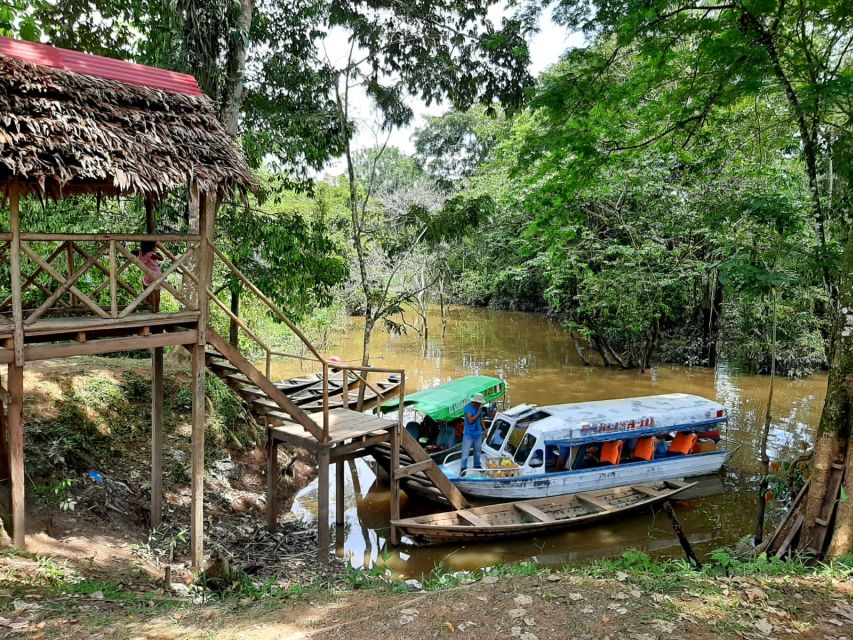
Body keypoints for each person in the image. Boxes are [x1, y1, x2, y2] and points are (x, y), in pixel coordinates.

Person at [460, 393, 486, 476]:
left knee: (478, 451)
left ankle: (477, 465)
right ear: (474, 401)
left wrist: (485, 430)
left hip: (478, 433)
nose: (479, 404)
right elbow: (471, 421)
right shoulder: (467, 408)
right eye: (478, 403)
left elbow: (481, 419)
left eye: (480, 403)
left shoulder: (479, 408)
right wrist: (478, 413)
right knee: (465, 452)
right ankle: (463, 468)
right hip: (468, 434)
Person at [136, 241, 163, 312]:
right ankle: (156, 308)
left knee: (147, 287)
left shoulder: (140, 254)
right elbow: (161, 258)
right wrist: (157, 255)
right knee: (156, 291)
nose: (156, 249)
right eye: (155, 247)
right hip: (155, 274)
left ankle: (150, 303)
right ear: (150, 248)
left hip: (148, 274)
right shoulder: (151, 254)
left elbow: (140, 261)